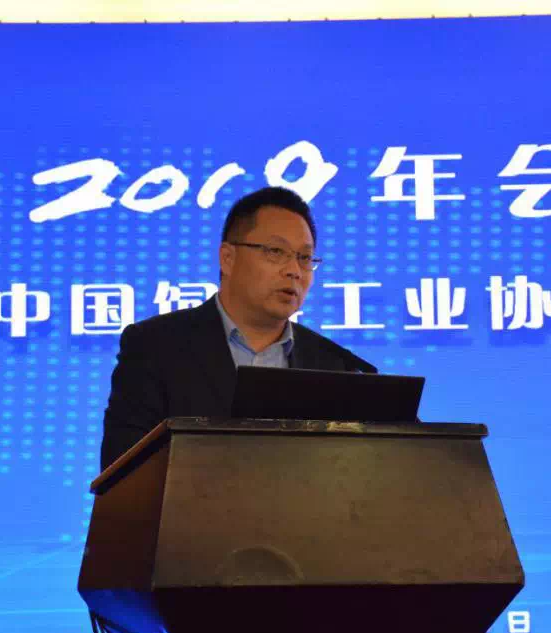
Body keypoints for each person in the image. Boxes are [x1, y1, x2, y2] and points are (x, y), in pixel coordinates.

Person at [99, 186, 376, 470]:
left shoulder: (335, 366)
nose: (294, 270)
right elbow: (122, 472)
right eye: (276, 251)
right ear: (228, 258)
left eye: (304, 258)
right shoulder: (156, 348)